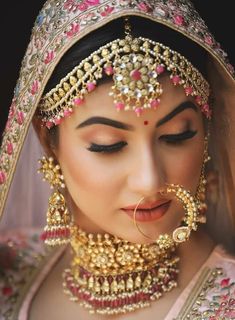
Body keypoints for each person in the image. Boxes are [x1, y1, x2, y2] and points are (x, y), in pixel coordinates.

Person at [0, 1, 235, 319]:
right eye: (107, 145)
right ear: (47, 140)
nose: (150, 180)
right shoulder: (10, 270)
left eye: (178, 135)